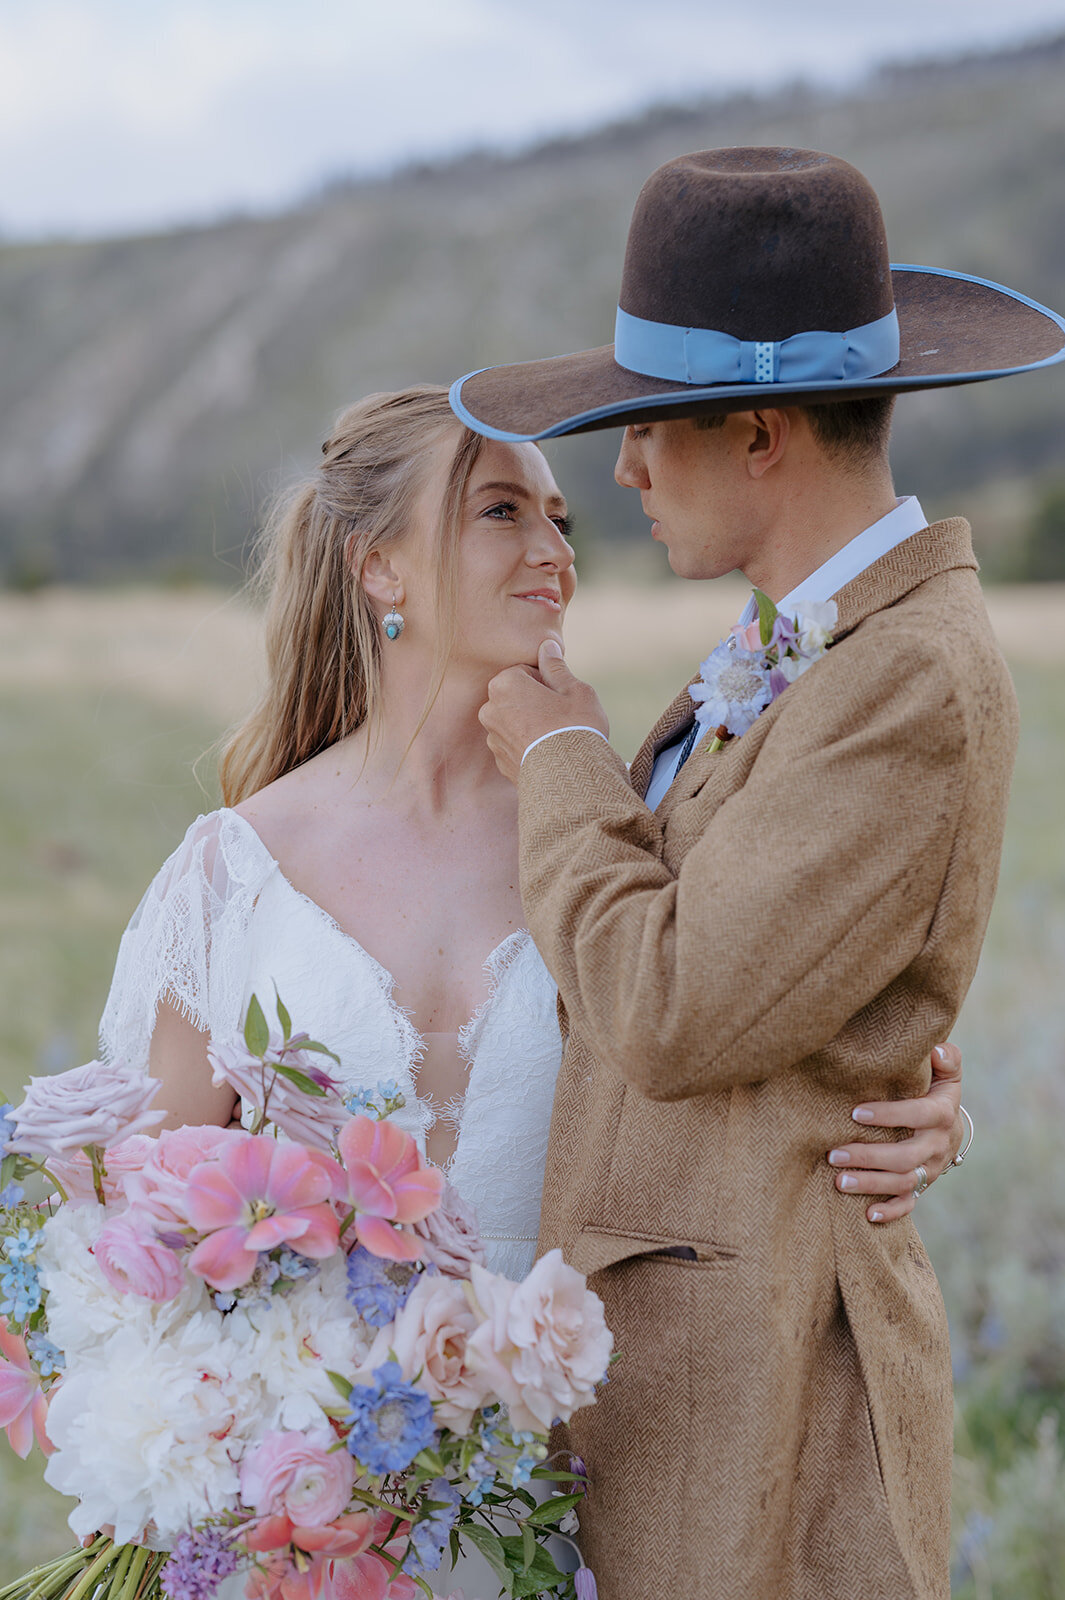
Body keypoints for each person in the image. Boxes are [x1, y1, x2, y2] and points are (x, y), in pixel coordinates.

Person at [100, 383, 968, 1599]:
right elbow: (140, 1231)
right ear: (381, 570)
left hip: (588, 1498)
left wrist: (923, 1105)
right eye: (502, 512)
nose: (556, 550)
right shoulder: (233, 868)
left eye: (561, 520)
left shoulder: (624, 848)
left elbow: (741, 1015)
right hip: (301, 1510)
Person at [458, 148, 1065, 1600]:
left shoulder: (907, 675)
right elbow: (788, 959)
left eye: (647, 430)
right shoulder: (814, 641)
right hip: (677, 1399)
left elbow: (671, 1005)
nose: (619, 471)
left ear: (757, 433)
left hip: (778, 1427)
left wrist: (561, 758)